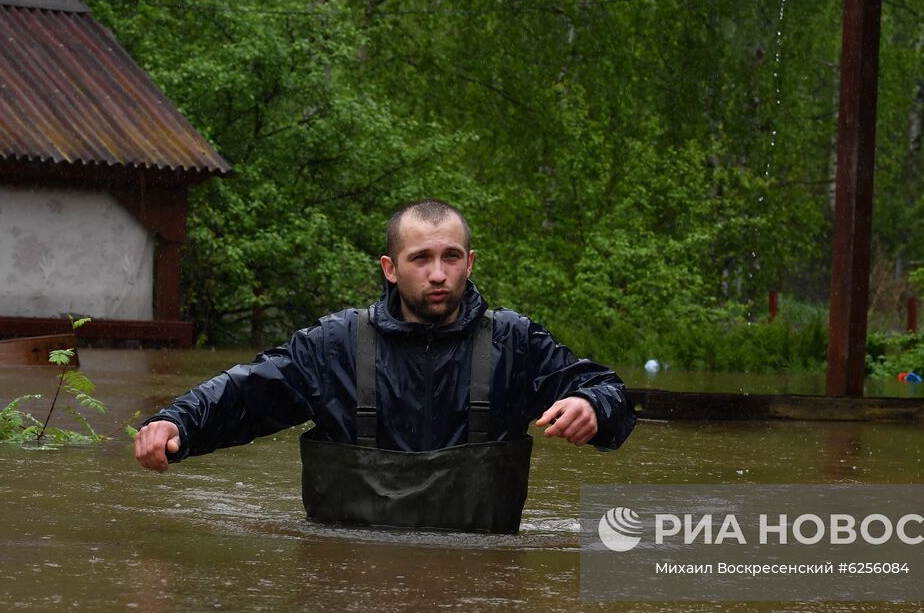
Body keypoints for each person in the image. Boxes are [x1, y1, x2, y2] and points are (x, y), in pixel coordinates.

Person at [133, 198, 636, 532]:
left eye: (451, 257)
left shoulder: (516, 343)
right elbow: (246, 394)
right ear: (390, 269)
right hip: (351, 593)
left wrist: (592, 404)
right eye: (421, 258)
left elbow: (608, 390)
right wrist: (176, 422)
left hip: (478, 596)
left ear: (470, 262)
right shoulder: (334, 345)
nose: (438, 274)